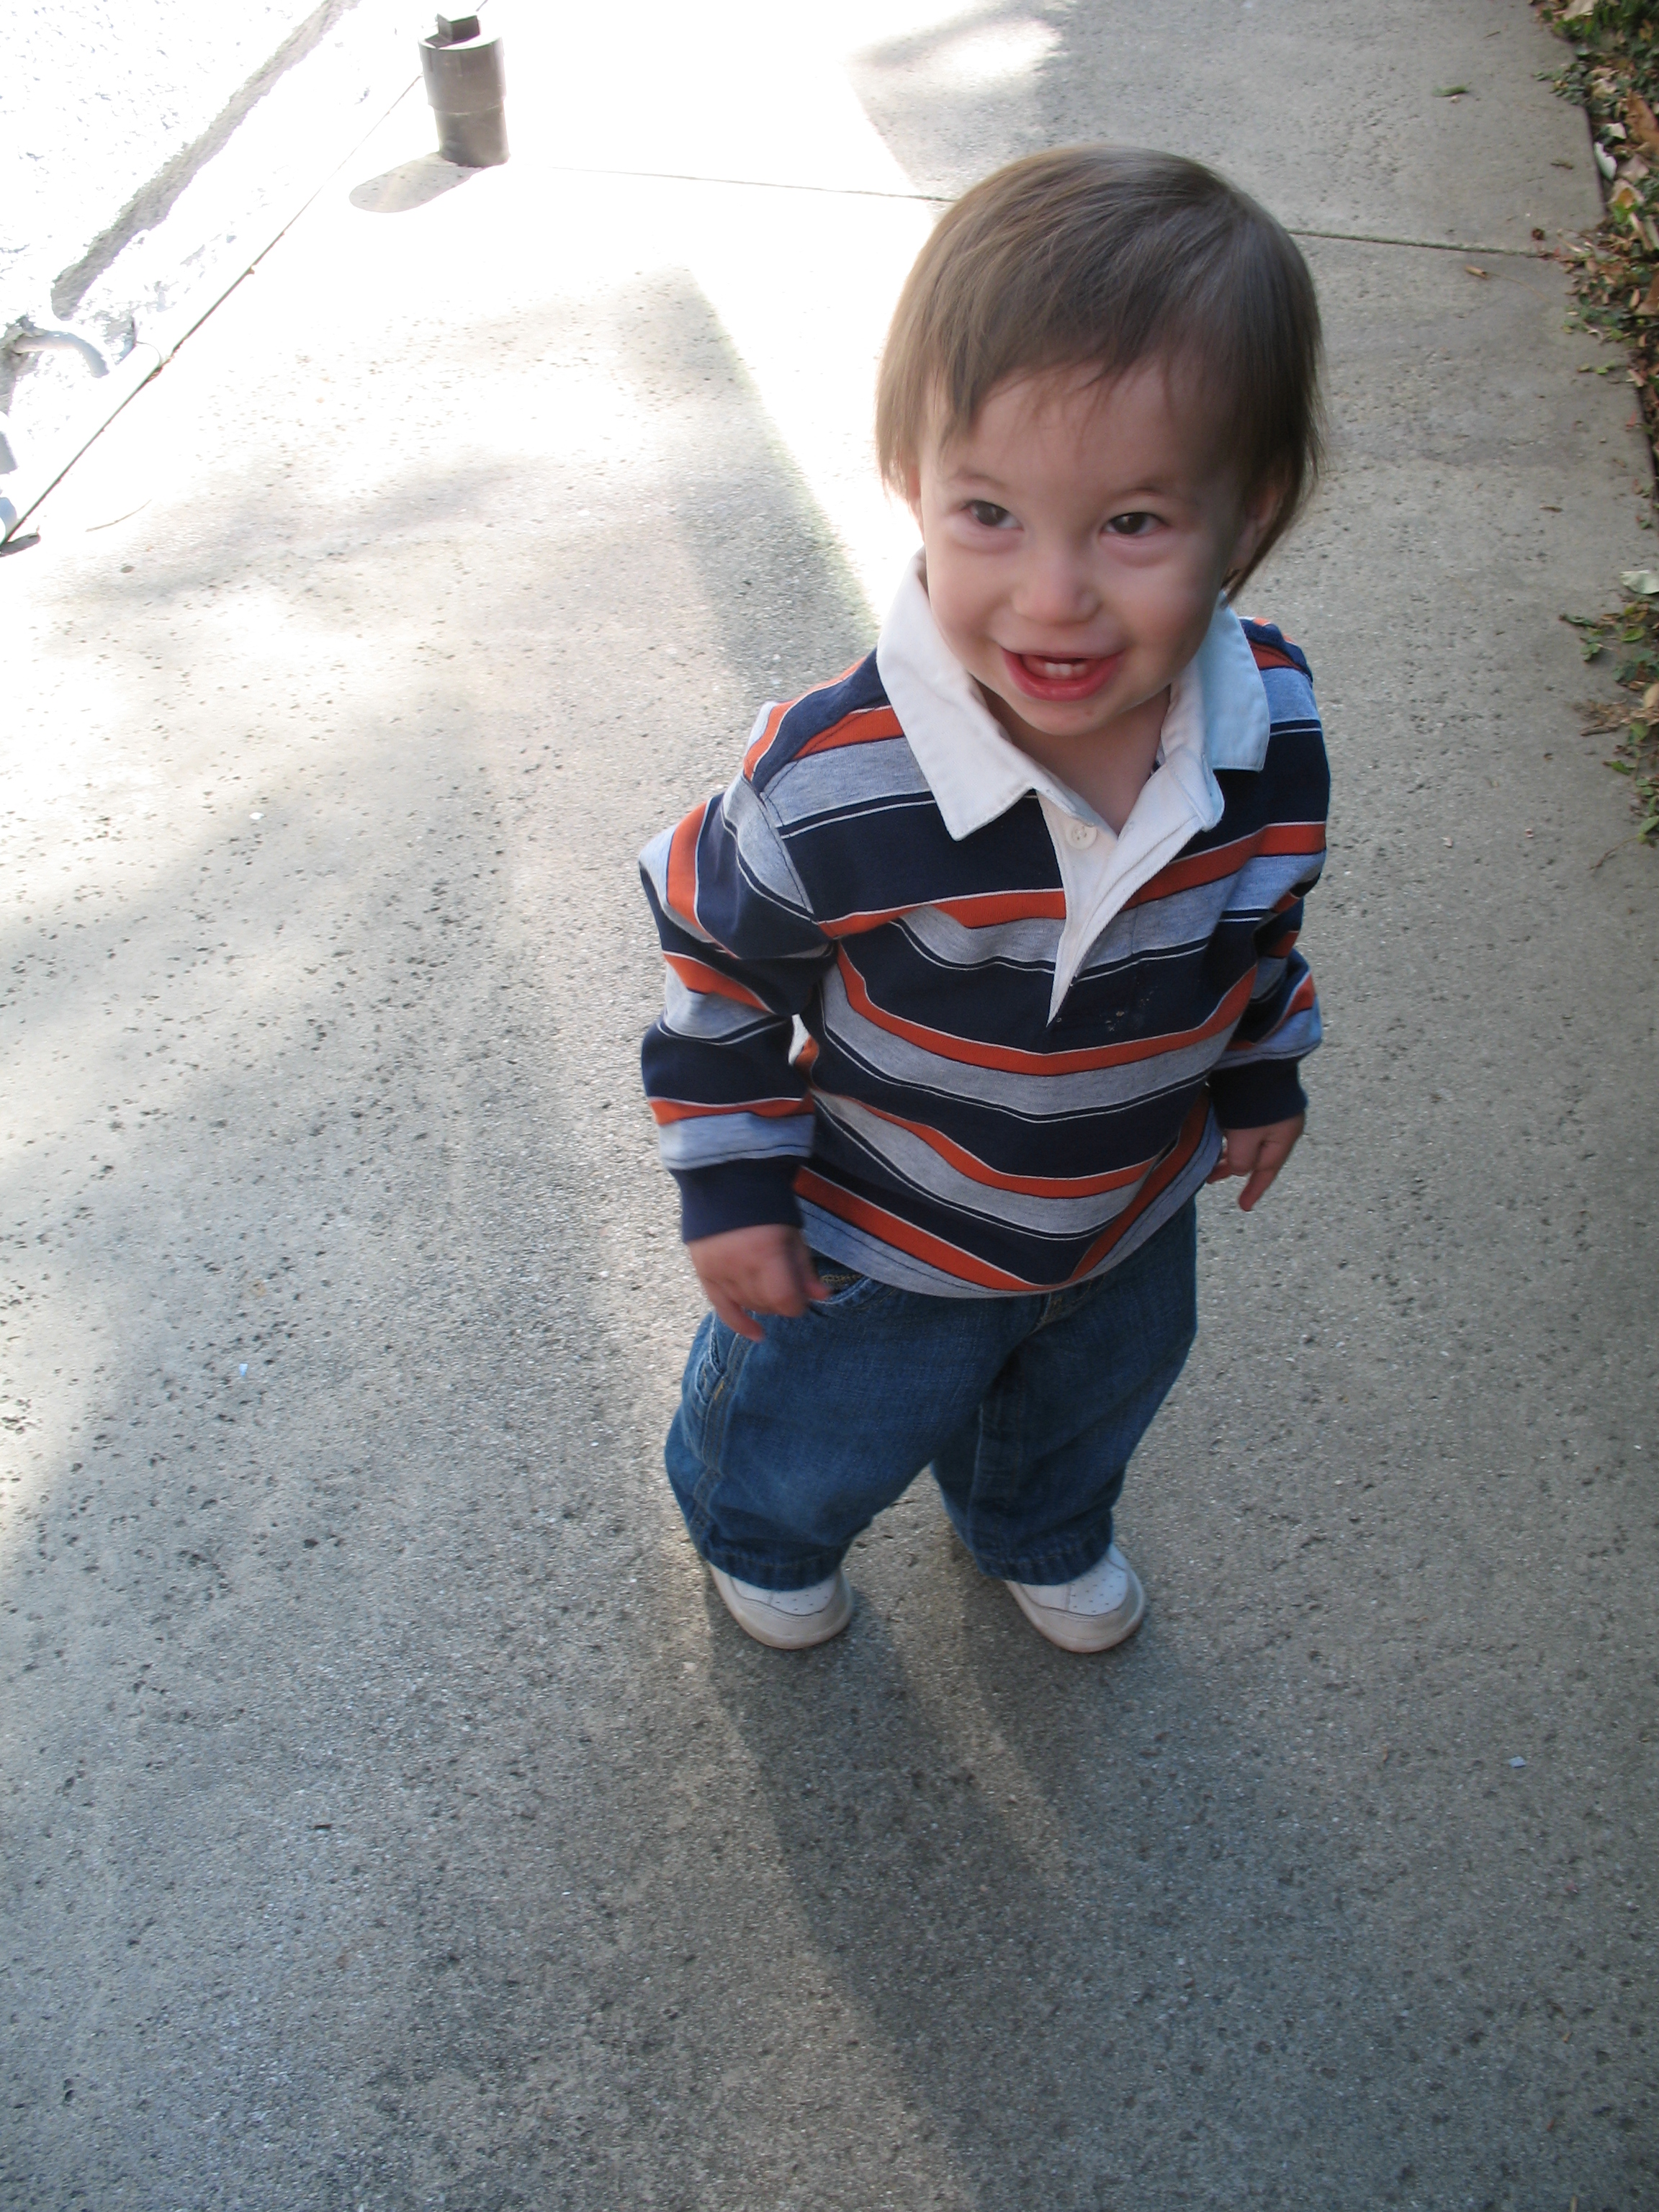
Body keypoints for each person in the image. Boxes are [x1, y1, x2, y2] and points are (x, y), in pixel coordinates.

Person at [638, 145, 1328, 1653]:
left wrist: (1264, 1067)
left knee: (1091, 1400)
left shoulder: (1271, 723)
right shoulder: (835, 782)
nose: (1053, 594)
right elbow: (718, 974)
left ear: (1249, 513)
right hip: (887, 1225)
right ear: (912, 482)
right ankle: (760, 1536)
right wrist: (733, 1184)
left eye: (1133, 522)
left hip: (1129, 1205)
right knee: (814, 1427)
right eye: (991, 513)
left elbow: (1259, 925)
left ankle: (1038, 1525)